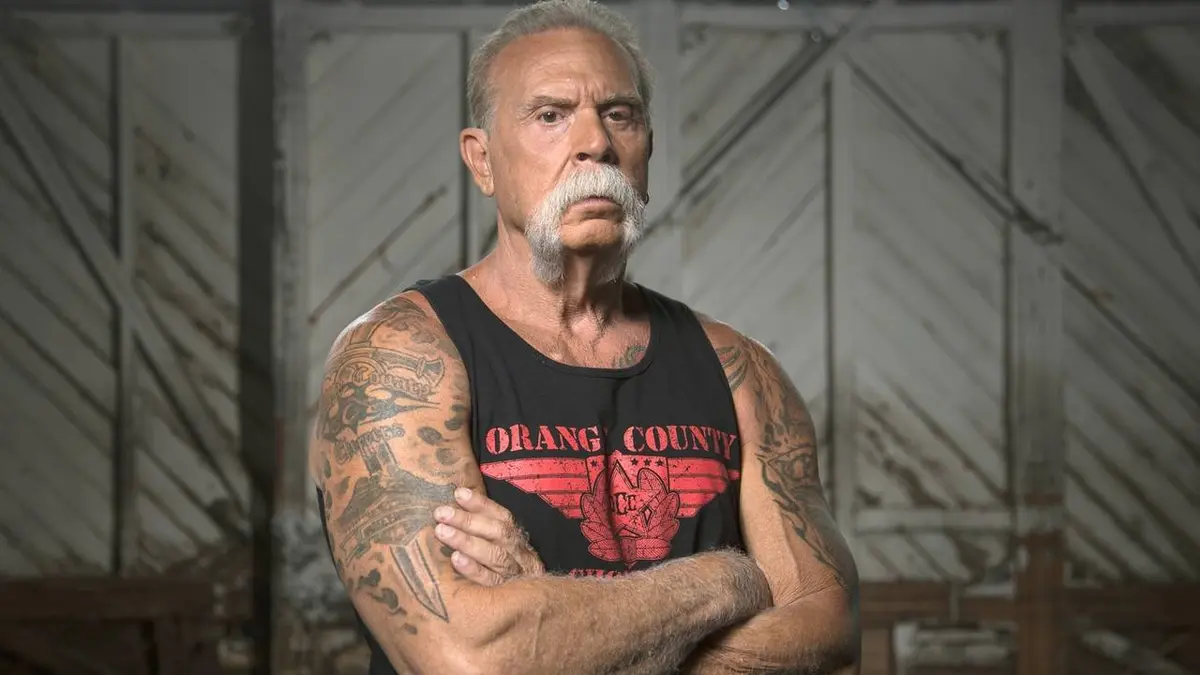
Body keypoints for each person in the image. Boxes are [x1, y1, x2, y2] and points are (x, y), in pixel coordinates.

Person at [309, 0, 860, 672]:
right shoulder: (400, 359)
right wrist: (725, 581)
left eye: (619, 114)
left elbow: (828, 636)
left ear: (647, 148)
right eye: (551, 115)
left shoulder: (740, 371)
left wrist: (547, 609)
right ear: (482, 161)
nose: (595, 142)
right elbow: (471, 659)